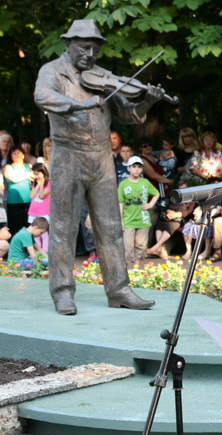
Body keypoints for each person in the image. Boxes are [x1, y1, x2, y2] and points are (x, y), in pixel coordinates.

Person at [34, 19, 164, 315]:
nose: (90, 54)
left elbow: (128, 114)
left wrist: (147, 102)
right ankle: (62, 292)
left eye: (95, 49)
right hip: (68, 154)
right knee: (64, 227)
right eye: (84, 47)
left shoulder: (102, 78)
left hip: (101, 157)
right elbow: (43, 96)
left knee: (111, 226)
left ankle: (119, 290)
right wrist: (80, 104)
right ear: (68, 44)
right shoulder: (52, 71)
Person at [118, 156, 159, 267]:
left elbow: (156, 193)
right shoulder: (123, 184)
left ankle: (137, 266)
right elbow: (120, 203)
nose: (136, 169)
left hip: (143, 219)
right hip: (128, 219)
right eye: (134, 166)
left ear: (142, 169)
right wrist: (121, 220)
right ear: (128, 168)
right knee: (128, 245)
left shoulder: (145, 182)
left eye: (139, 167)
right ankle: (126, 267)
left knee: (141, 244)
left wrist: (150, 204)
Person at [3, 146, 33, 235]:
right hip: (14, 201)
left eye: (19, 153)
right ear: (11, 156)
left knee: (28, 226)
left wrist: (24, 175)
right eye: (14, 153)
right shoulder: (8, 167)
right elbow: (14, 178)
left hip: (28, 200)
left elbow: (34, 178)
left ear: (23, 155)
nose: (17, 155)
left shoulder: (29, 166)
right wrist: (27, 175)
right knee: (15, 227)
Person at [28, 163, 51, 251]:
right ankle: (38, 253)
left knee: (43, 233)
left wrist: (41, 184)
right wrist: (37, 184)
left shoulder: (48, 183)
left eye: (38, 174)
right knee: (35, 234)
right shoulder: (34, 183)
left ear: (43, 172)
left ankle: (45, 252)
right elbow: (31, 195)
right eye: (35, 174)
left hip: (43, 212)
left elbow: (42, 195)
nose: (36, 176)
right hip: (33, 212)